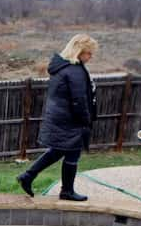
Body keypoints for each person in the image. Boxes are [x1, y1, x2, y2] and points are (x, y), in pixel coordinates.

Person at [17, 34, 98, 201]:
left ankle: (28, 176)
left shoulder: (62, 67)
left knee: (58, 151)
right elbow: (78, 100)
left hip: (59, 117)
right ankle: (66, 191)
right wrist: (85, 120)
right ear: (80, 51)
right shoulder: (74, 70)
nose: (91, 57)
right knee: (72, 154)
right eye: (89, 53)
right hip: (70, 119)